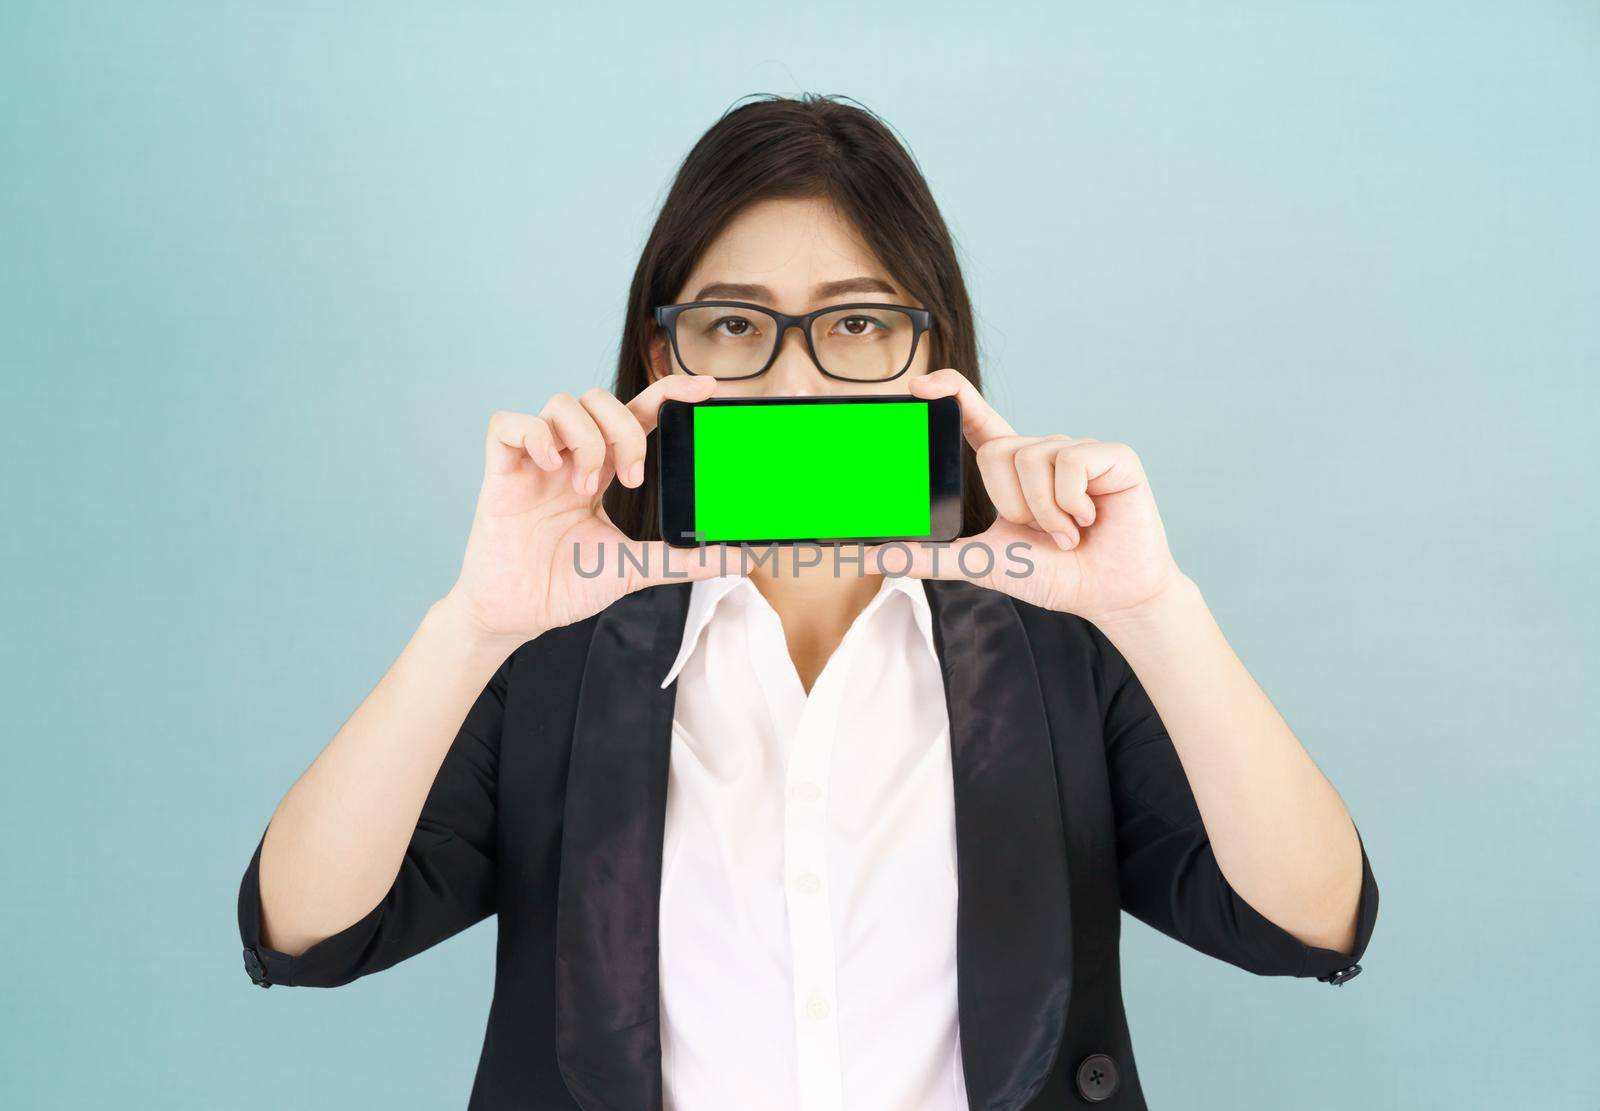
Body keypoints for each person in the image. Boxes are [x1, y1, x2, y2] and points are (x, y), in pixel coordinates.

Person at [236, 94, 1378, 1111]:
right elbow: (305, 933)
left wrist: (1155, 607)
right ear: (661, 354)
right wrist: (471, 624)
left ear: (933, 355)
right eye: (734, 324)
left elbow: (1310, 923)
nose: (793, 380)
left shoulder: (1062, 646)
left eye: (856, 322)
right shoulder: (552, 649)